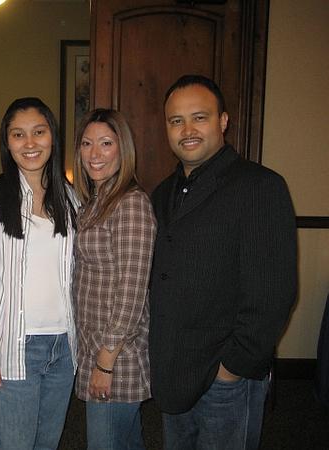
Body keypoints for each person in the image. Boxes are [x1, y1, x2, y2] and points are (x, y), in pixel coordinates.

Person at [148, 74, 297, 449]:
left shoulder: (259, 186)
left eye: (199, 117)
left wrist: (232, 368)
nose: (187, 130)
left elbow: (274, 292)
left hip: (225, 375)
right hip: (174, 368)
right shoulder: (162, 193)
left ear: (223, 121)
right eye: (176, 120)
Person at [0, 97, 77, 449]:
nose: (30, 143)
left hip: (63, 347)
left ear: (52, 137)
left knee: (47, 443)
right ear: (7, 142)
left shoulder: (70, 198)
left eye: (39, 132)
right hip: (11, 347)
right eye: (18, 134)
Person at [72, 109, 156, 450]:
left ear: (124, 150)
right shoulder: (95, 202)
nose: (95, 153)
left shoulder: (130, 204)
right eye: (87, 143)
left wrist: (104, 364)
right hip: (95, 347)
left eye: (106, 143)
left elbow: (131, 292)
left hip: (116, 357)